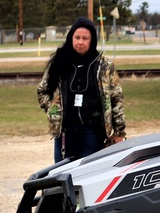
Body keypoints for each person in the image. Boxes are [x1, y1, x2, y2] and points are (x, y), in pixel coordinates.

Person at [37, 17, 126, 162]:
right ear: (71, 37)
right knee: (62, 173)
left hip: (93, 131)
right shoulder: (59, 62)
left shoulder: (104, 66)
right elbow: (42, 91)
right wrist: (53, 110)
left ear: (92, 40)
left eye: (85, 38)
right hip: (65, 131)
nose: (80, 42)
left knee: (87, 173)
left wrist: (119, 132)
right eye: (77, 37)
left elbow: (116, 99)